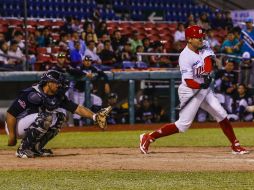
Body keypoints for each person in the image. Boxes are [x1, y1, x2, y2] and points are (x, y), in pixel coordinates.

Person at [139, 25, 249, 155]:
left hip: (204, 89)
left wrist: (206, 75)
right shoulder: (185, 56)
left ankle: (235, 145)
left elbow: (207, 62)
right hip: (189, 90)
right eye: (197, 38)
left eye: (201, 37)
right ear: (189, 39)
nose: (201, 40)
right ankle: (149, 136)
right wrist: (201, 85)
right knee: (182, 126)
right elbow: (188, 81)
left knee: (221, 114)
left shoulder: (204, 44)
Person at [5, 70, 111, 158]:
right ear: (48, 82)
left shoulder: (56, 95)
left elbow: (77, 108)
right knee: (46, 117)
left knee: (60, 117)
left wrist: (94, 116)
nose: (59, 85)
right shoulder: (32, 94)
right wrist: (12, 136)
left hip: (33, 121)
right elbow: (10, 114)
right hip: (15, 125)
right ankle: (23, 149)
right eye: (57, 82)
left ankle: (36, 148)